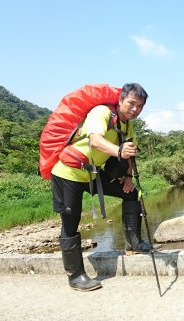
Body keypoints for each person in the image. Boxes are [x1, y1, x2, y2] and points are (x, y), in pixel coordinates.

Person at [50, 83, 151, 292]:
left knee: (131, 193)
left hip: (92, 174)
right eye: (131, 103)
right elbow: (95, 141)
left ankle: (133, 244)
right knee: (71, 221)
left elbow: (128, 150)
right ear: (121, 100)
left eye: (139, 106)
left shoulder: (127, 125)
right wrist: (119, 151)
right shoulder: (102, 112)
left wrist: (129, 176)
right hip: (69, 171)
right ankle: (76, 276)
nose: (135, 109)